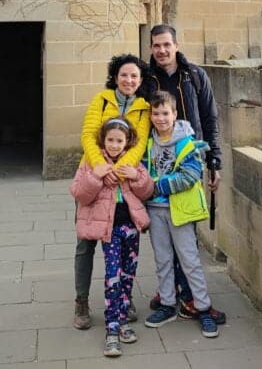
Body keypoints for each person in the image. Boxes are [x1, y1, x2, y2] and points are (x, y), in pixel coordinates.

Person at [144, 24, 226, 323]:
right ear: (151, 47)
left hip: (189, 165)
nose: (162, 50)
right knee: (165, 242)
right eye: (156, 45)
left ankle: (190, 297)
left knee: (186, 236)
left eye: (167, 44)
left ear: (176, 45)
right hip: (157, 164)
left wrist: (214, 160)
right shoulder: (147, 78)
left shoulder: (195, 76)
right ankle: (178, 294)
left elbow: (210, 118)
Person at [73, 54, 152, 331]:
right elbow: (88, 135)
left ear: (140, 80)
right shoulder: (102, 100)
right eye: (124, 75)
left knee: (121, 246)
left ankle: (123, 298)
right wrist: (101, 168)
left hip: (123, 184)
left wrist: (119, 171)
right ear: (115, 77)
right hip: (95, 178)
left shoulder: (144, 109)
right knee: (86, 242)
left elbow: (138, 144)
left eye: (134, 76)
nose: (128, 80)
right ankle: (81, 301)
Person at [70, 118, 154, 357]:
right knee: (113, 277)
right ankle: (112, 330)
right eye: (110, 140)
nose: (115, 145)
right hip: (109, 231)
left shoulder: (133, 163)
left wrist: (136, 177)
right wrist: (96, 176)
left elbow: (147, 191)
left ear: (127, 142)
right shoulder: (91, 162)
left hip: (131, 227)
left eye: (119, 141)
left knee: (128, 276)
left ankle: (124, 319)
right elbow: (78, 193)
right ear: (102, 141)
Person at [142, 91, 219, 338]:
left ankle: (202, 307)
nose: (161, 118)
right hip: (156, 211)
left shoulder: (187, 142)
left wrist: (155, 186)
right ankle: (167, 304)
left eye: (165, 113)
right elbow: (143, 171)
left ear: (174, 114)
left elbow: (190, 175)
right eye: (156, 113)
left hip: (180, 211)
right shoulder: (149, 142)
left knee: (190, 261)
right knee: (163, 259)